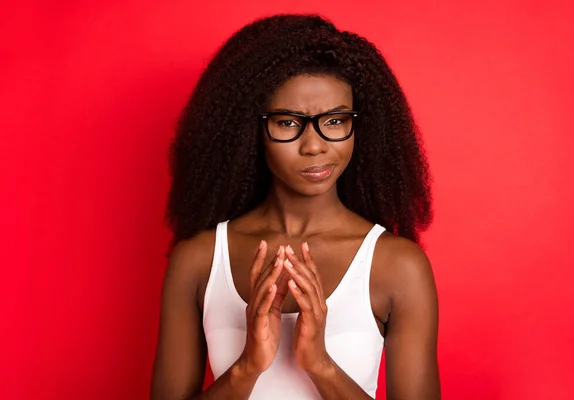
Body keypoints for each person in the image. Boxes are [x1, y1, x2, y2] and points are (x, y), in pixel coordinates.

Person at [151, 13, 440, 400]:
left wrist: (320, 365)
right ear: (248, 129)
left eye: (335, 120)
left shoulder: (398, 266)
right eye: (289, 123)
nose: (315, 145)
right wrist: (247, 367)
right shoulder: (199, 260)